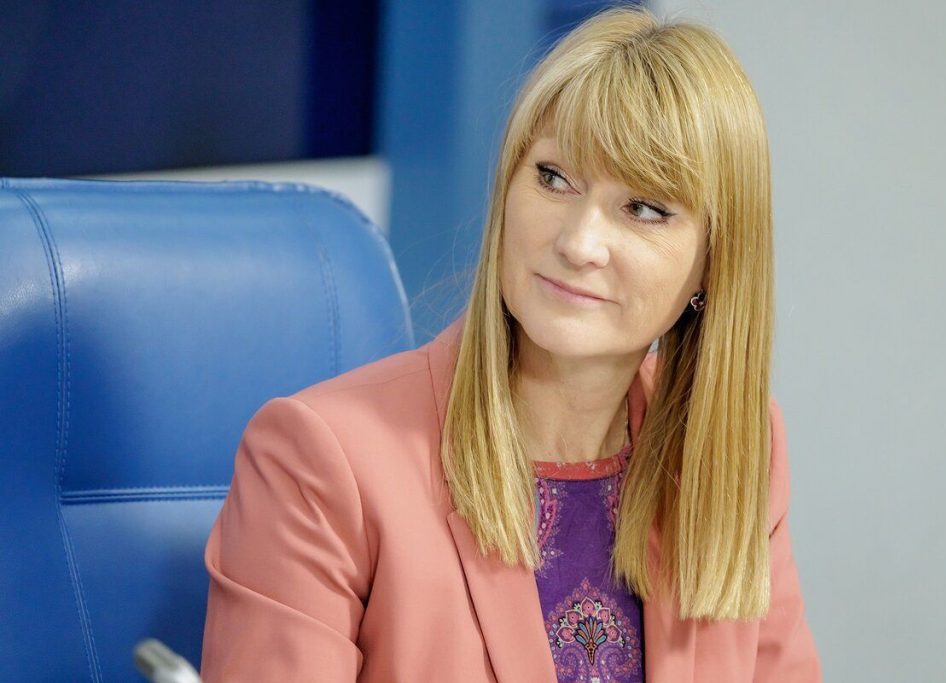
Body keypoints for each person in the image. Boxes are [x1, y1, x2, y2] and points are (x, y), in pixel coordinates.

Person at [199, 6, 821, 682]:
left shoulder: (738, 448)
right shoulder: (321, 462)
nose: (578, 243)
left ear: (713, 265)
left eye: (644, 208)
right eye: (553, 177)